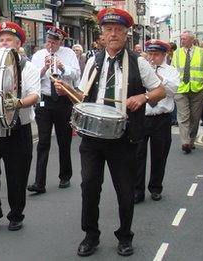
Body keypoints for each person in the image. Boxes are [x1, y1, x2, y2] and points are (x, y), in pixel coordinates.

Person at [55, 8, 166, 256]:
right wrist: (66, 90)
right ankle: (90, 236)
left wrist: (143, 96)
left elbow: (160, 91)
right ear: (102, 34)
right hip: (93, 138)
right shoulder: (94, 61)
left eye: (118, 30)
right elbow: (82, 97)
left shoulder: (138, 63)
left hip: (123, 137)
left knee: (125, 190)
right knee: (89, 187)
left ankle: (125, 236)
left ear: (126, 34)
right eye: (108, 30)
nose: (113, 34)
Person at [0, 21, 40, 231]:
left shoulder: (27, 67)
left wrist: (18, 102)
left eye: (8, 40)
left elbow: (35, 94)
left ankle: (16, 214)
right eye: (0, 40)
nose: (3, 44)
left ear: (18, 43)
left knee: (17, 176)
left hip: (18, 128)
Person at [28, 26, 80, 193]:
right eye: (49, 42)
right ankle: (39, 182)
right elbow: (33, 77)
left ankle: (65, 176)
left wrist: (62, 67)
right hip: (45, 102)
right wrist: (44, 68)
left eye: (54, 42)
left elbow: (76, 76)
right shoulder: (38, 55)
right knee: (43, 142)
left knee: (64, 140)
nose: (50, 45)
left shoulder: (69, 54)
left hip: (63, 101)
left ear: (61, 42)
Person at [135, 39, 179, 204]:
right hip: (143, 116)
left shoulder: (170, 71)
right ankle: (137, 191)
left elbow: (174, 90)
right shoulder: (141, 69)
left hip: (161, 118)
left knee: (159, 154)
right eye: (150, 54)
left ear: (164, 55)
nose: (152, 58)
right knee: (138, 154)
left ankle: (155, 188)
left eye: (156, 54)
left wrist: (158, 78)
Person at [172, 30, 203, 154]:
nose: (182, 41)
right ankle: (185, 142)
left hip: (197, 89)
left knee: (195, 117)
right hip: (181, 89)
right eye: (181, 39)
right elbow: (172, 71)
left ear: (192, 40)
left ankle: (191, 141)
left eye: (185, 39)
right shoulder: (176, 53)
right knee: (183, 116)